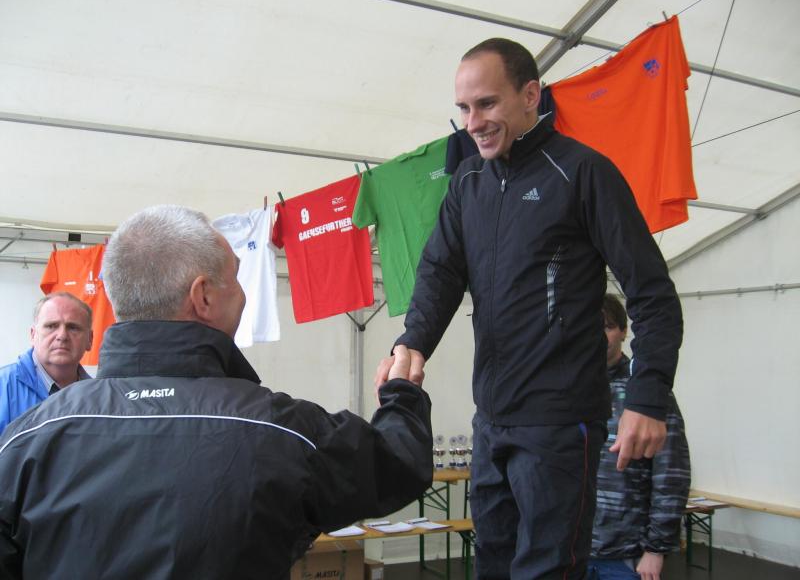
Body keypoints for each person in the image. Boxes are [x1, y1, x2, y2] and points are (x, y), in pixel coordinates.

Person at [374, 38, 683, 579]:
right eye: (464, 108)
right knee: (492, 566)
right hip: (491, 420)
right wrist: (412, 342)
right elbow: (440, 272)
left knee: (547, 570)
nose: (473, 122)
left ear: (530, 96)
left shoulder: (583, 173)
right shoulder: (468, 182)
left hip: (560, 422)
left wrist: (648, 396)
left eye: (487, 103)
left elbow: (652, 292)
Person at [0, 205, 433, 579]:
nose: (243, 294)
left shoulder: (26, 441)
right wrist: (401, 395)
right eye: (236, 278)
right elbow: (396, 465)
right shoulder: (280, 430)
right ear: (203, 296)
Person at [588, 295, 690, 580]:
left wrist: (656, 549)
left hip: (625, 555)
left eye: (607, 327)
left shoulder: (645, 392)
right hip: (569, 550)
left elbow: (671, 473)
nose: (598, 336)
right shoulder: (567, 390)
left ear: (623, 331)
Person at [0, 292, 93, 434]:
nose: (62, 336)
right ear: (33, 335)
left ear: (90, 339)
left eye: (73, 327)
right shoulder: (3, 387)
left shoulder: (99, 396)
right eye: (51, 326)